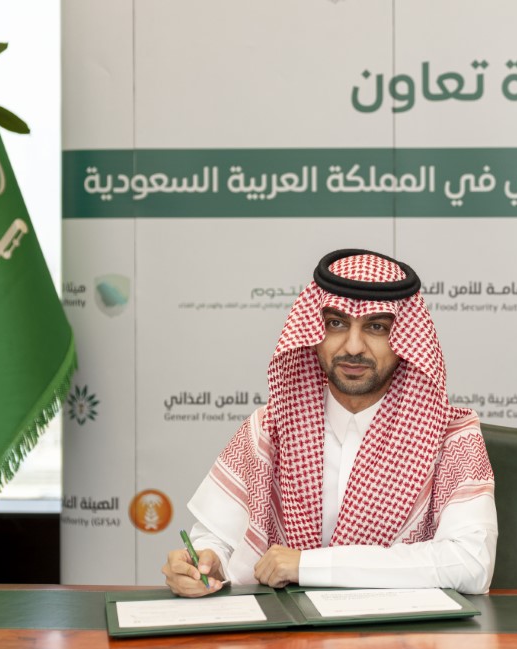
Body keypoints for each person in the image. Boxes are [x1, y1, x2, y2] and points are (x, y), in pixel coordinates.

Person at [163, 249, 497, 596]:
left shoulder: (450, 436)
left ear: (404, 340)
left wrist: (308, 566)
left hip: (400, 628)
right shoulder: (272, 426)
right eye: (336, 323)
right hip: (289, 628)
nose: (353, 347)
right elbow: (216, 539)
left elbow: (471, 562)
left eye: (377, 327)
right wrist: (206, 563)